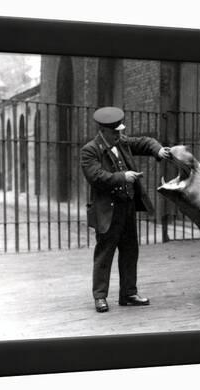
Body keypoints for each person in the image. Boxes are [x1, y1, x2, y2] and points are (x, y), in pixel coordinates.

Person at [80, 106, 171, 312]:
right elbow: (96, 177)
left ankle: (129, 293)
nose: (119, 135)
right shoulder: (90, 151)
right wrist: (124, 177)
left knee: (130, 251)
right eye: (114, 132)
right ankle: (100, 297)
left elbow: (145, 142)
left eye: (119, 131)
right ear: (103, 131)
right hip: (107, 211)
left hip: (127, 208)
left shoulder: (121, 142)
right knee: (105, 254)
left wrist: (158, 150)